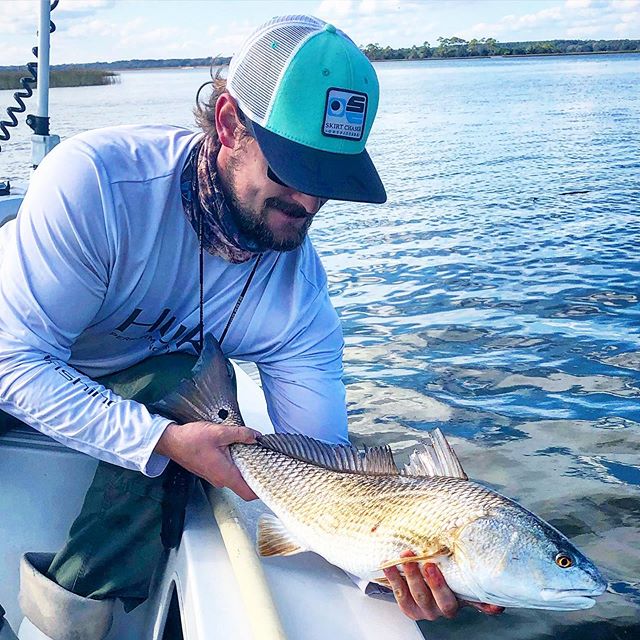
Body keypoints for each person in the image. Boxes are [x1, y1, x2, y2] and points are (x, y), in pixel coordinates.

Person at [0, 14, 501, 640]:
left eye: (330, 180)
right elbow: (13, 363)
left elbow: (328, 478)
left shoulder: (299, 296)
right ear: (230, 123)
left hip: (125, 388)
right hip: (13, 358)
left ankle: (62, 621)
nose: (311, 202)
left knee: (181, 396)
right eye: (294, 170)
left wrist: (394, 564)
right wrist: (158, 441)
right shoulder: (98, 185)